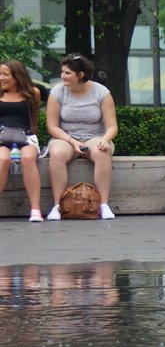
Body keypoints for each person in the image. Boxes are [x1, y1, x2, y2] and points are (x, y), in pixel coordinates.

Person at [45, 53, 118, 221]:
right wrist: (72, 141)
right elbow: (52, 126)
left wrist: (105, 139)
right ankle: (58, 206)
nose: (62, 76)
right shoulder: (57, 91)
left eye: (67, 73)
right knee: (56, 154)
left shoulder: (101, 92)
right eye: (62, 72)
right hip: (66, 137)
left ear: (80, 75)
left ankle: (103, 204)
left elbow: (112, 126)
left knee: (102, 152)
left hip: (95, 136)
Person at [0, 59, 44, 222]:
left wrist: (31, 134)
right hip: (1, 137)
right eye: (0, 74)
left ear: (17, 76)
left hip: (25, 135)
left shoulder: (33, 93)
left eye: (5, 74)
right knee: (2, 160)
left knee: (28, 158)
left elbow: (33, 118)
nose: (1, 78)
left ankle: (35, 210)